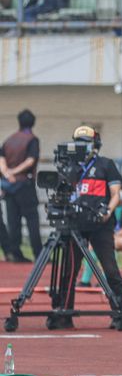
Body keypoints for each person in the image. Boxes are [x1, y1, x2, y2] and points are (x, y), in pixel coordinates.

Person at [57, 126, 122, 331]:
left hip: (101, 225)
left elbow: (117, 194)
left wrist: (107, 212)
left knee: (110, 269)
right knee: (69, 271)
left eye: (86, 143)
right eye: (78, 142)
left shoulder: (106, 165)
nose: (82, 147)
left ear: (95, 145)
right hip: (75, 225)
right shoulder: (69, 166)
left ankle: (120, 312)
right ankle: (64, 314)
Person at [0, 109, 42, 262]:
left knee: (13, 220)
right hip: (25, 184)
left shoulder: (9, 140)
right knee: (32, 220)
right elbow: (31, 160)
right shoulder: (32, 139)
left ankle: (15, 253)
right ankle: (38, 253)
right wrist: (15, 172)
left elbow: (1, 159)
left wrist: (7, 174)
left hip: (9, 186)